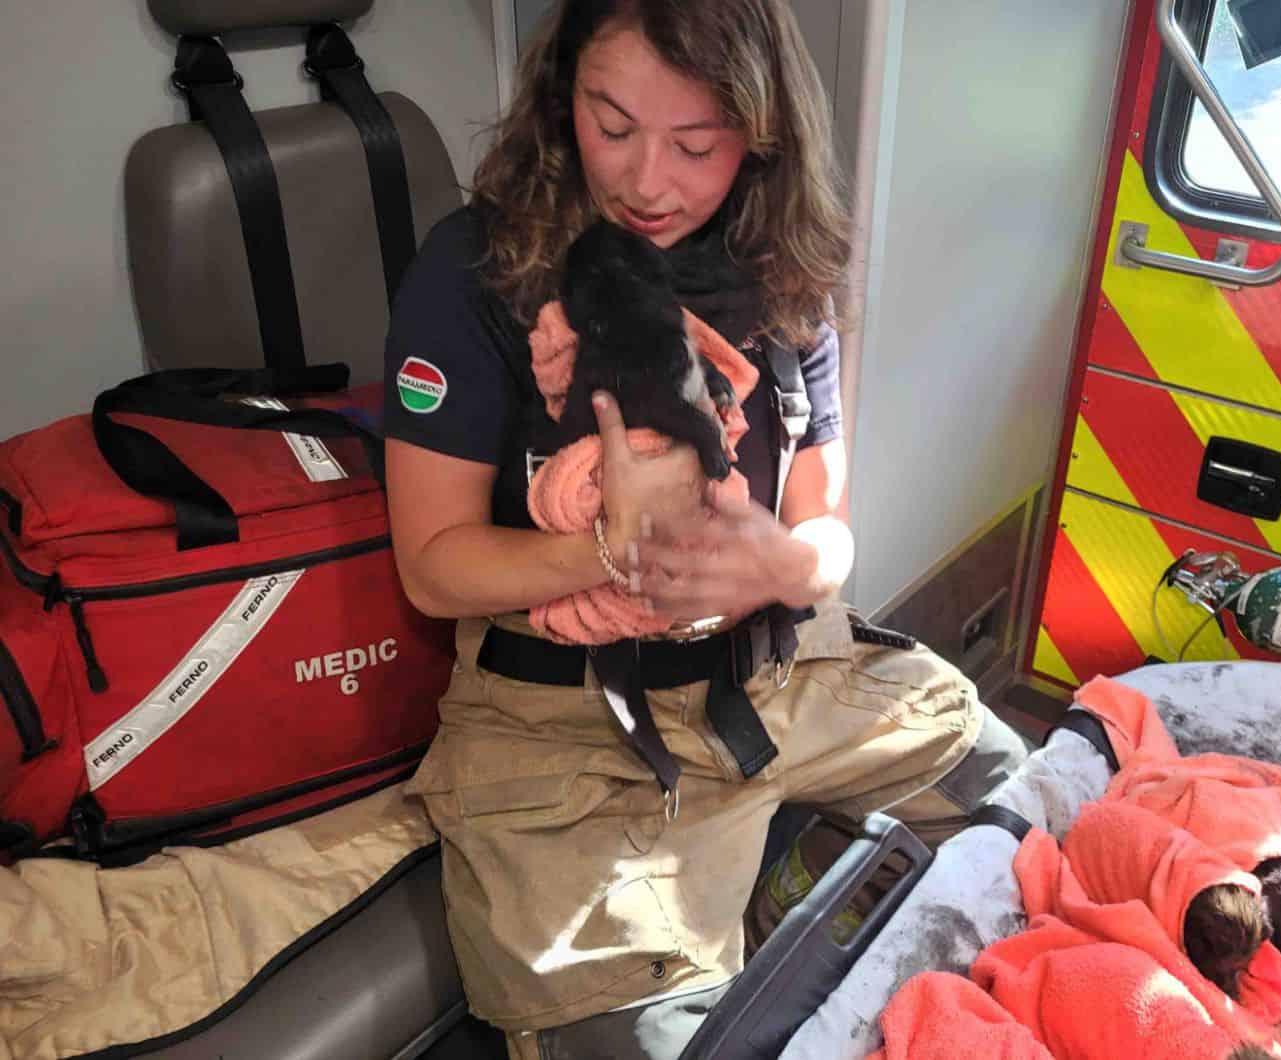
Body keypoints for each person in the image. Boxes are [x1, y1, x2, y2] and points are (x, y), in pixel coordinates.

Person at [381, 2, 1028, 1056]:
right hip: (573, 737)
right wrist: (612, 550)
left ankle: (781, 883)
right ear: (562, 103)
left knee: (1038, 808)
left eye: (696, 143)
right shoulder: (475, 274)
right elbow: (433, 566)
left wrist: (788, 562)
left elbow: (827, 528)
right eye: (611, 123)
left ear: (762, 133)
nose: (647, 181)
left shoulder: (785, 264)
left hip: (784, 681)